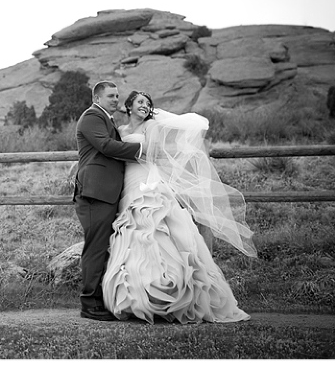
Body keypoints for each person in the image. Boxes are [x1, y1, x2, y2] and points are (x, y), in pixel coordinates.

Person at [101, 90, 257, 324]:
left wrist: (118, 151)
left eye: (148, 103)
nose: (145, 105)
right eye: (140, 102)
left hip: (146, 179)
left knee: (154, 228)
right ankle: (136, 296)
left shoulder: (151, 126)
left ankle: (169, 292)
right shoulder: (120, 130)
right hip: (126, 182)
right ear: (129, 106)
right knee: (132, 234)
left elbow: (151, 152)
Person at [73, 81, 142, 321]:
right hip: (96, 192)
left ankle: (102, 299)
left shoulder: (106, 118)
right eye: (111, 96)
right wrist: (141, 150)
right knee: (96, 248)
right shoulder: (92, 116)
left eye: (117, 96)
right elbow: (104, 145)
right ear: (97, 98)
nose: (116, 99)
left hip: (106, 192)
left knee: (104, 247)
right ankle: (89, 304)